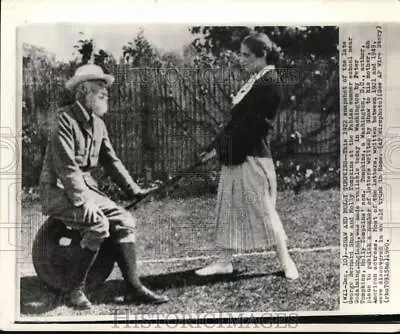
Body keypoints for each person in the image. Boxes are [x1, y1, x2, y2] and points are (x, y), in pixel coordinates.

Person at [39, 64, 169, 309]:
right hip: (58, 190)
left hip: (86, 189)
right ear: (83, 92)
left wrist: (134, 190)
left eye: (105, 91)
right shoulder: (63, 119)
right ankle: (74, 290)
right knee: (98, 223)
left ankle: (133, 287)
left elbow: (111, 161)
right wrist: (82, 200)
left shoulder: (98, 124)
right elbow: (66, 166)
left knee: (124, 220)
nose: (106, 95)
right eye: (100, 91)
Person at [194, 32, 299, 280]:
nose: (241, 59)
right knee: (228, 207)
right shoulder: (257, 80)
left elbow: (249, 126)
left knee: (262, 209)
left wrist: (218, 150)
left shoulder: (269, 82)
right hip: (237, 154)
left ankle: (286, 262)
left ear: (263, 54)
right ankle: (223, 261)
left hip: (251, 156)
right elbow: (235, 123)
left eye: (246, 55)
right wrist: (213, 147)